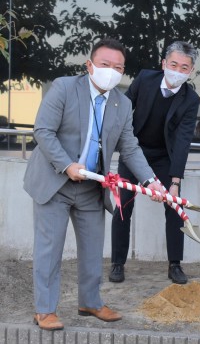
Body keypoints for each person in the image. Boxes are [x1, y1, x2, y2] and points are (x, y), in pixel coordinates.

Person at [23, 38, 165, 331]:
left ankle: (90, 301)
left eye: (118, 67)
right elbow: (43, 131)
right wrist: (67, 165)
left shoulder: (122, 104)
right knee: (50, 249)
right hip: (55, 181)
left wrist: (152, 182)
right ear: (89, 65)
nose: (111, 71)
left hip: (92, 186)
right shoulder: (64, 87)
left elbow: (130, 147)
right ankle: (45, 310)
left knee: (92, 249)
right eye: (104, 64)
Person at [109, 41, 200, 285]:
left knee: (174, 209)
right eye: (173, 65)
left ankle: (175, 264)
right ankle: (117, 262)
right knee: (123, 206)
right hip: (133, 151)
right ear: (163, 63)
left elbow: (183, 141)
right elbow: (123, 109)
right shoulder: (145, 79)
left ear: (190, 72)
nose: (177, 71)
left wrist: (175, 182)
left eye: (184, 67)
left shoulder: (191, 99)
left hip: (164, 157)